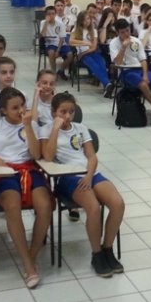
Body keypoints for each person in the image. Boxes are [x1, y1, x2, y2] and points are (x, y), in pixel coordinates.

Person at [39, 91, 126, 277]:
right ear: (54, 112)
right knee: (93, 207)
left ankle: (107, 249)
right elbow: (47, 156)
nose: (68, 116)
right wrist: (55, 129)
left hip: (89, 173)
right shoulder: (46, 129)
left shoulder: (81, 128)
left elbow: (92, 156)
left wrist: (88, 175)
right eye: (63, 112)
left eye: (71, 111)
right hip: (67, 176)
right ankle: (96, 255)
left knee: (118, 204)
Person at [0, 88, 51, 288]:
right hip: (4, 171)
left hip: (28, 168)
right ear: (3, 110)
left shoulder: (31, 124)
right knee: (12, 205)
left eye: (22, 106)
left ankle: (31, 255)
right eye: (14, 108)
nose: (20, 111)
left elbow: (35, 155)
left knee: (45, 206)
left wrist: (27, 126)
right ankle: (28, 264)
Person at [110, 19, 151, 126]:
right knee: (143, 84)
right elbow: (117, 62)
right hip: (126, 71)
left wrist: (146, 74)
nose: (126, 34)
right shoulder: (114, 43)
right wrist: (123, 47)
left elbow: (143, 60)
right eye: (122, 32)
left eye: (127, 31)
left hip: (139, 69)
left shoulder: (136, 41)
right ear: (117, 33)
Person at [39, 4, 73, 79]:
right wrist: (46, 24)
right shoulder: (43, 23)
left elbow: (62, 38)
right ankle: (53, 73)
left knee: (70, 55)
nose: (51, 15)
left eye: (53, 13)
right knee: (51, 53)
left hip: (61, 44)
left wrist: (58, 50)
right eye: (49, 14)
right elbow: (42, 35)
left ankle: (61, 70)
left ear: (55, 14)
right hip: (50, 44)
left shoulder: (60, 24)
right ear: (46, 15)